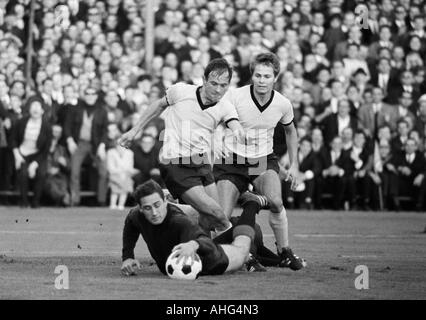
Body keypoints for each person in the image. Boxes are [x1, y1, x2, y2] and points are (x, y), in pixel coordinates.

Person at [118, 58, 245, 233]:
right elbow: (157, 106)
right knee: (218, 215)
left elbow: (234, 124)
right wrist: (134, 130)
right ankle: (242, 254)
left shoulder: (226, 107)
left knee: (211, 219)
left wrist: (238, 133)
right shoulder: (181, 91)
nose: (218, 90)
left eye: (223, 85)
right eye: (213, 83)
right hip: (175, 162)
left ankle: (172, 208)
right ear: (204, 79)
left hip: (201, 163)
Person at [213, 53, 305, 270]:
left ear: (275, 77)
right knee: (221, 217)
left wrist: (294, 164)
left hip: (262, 160)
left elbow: (291, 132)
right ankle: (242, 257)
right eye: (258, 75)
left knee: (276, 201)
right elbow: (215, 120)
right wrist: (215, 141)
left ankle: (284, 251)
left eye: (266, 76)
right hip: (231, 162)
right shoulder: (235, 96)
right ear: (252, 76)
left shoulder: (283, 103)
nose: (262, 80)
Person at [120, 180, 263, 277]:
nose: (154, 212)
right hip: (199, 253)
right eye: (147, 208)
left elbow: (204, 240)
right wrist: (127, 258)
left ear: (165, 201)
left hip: (217, 261)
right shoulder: (136, 215)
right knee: (260, 251)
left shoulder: (179, 221)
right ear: (140, 208)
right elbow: (130, 223)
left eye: (157, 205)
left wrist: (193, 244)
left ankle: (252, 204)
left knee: (243, 249)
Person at [11, 99, 52, 208]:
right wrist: (17, 156)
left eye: (38, 106)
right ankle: (23, 202)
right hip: (22, 153)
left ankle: (36, 202)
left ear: (42, 111)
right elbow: (13, 139)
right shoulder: (21, 122)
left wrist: (35, 164)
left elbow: (46, 150)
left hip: (38, 155)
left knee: (41, 174)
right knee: (23, 174)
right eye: (33, 106)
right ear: (29, 109)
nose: (35, 109)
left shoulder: (47, 126)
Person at [106, 123, 137, 210]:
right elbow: (110, 168)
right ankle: (113, 204)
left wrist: (125, 173)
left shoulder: (130, 153)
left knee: (125, 187)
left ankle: (121, 205)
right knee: (115, 189)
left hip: (125, 175)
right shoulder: (110, 152)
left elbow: (130, 166)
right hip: (114, 175)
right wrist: (119, 172)